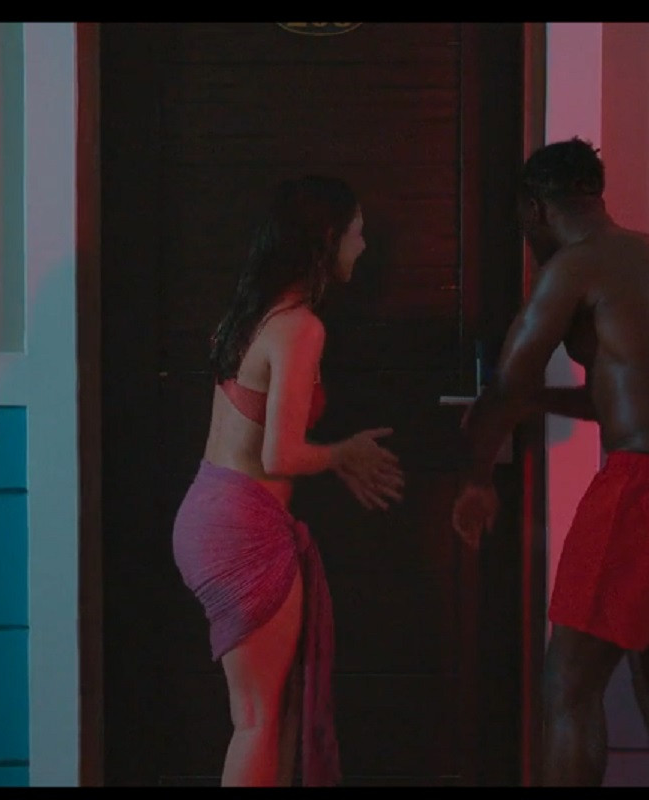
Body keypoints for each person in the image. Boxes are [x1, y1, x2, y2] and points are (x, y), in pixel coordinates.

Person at [452, 138, 649, 787]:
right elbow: (617, 396)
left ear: (535, 209)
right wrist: (535, 403)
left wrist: (476, 480)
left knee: (568, 684)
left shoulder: (575, 266)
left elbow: (506, 383)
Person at [170, 175, 407, 787]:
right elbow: (279, 454)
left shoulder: (248, 316)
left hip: (209, 511)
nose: (363, 247)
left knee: (268, 715)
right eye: (356, 234)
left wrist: (338, 460)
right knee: (255, 719)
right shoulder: (300, 327)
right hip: (242, 527)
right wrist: (343, 455)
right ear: (327, 239)